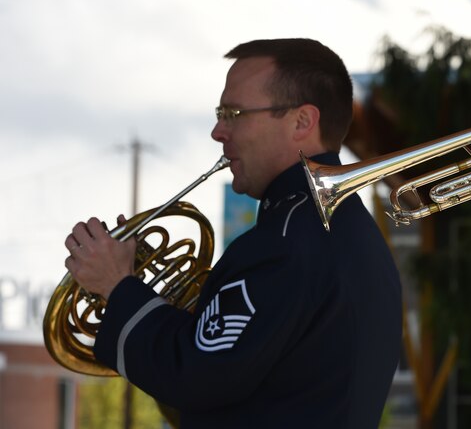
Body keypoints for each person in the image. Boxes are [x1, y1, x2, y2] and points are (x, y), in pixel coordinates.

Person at [64, 38, 402, 428]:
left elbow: (194, 375)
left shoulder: (286, 243)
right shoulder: (354, 232)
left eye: (232, 113)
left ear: (301, 122)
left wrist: (117, 285)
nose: (217, 131)